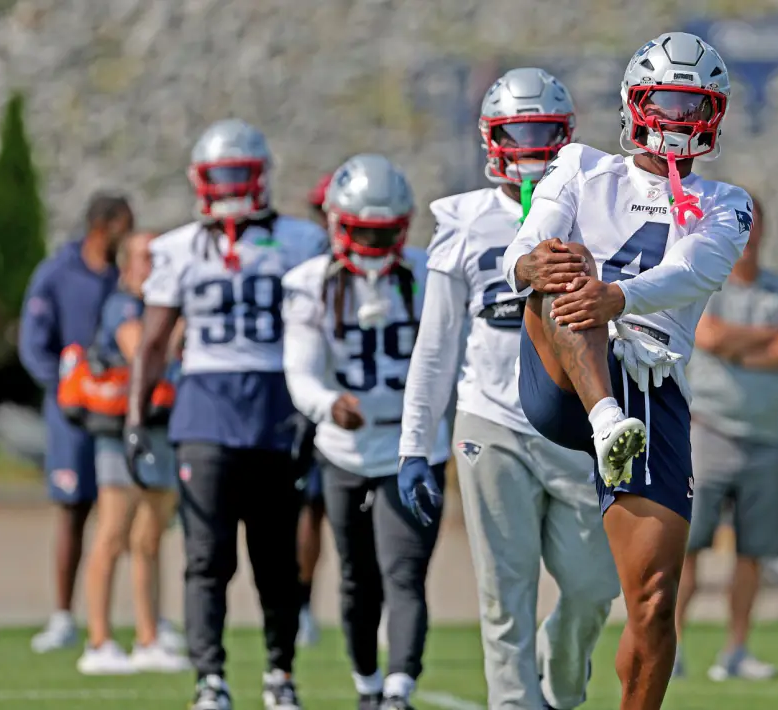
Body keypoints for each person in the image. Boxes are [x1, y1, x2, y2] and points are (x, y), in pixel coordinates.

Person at [502, 32, 753, 710]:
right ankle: (604, 419)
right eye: (664, 100)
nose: (675, 118)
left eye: (691, 103)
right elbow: (528, 246)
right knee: (563, 263)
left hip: (650, 384)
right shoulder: (581, 166)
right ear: (633, 102)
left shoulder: (728, 201)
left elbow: (695, 267)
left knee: (654, 600)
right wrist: (532, 266)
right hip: (565, 374)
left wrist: (624, 297)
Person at [397, 68, 619, 710]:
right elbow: (435, 345)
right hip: (490, 423)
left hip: (576, 426)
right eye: (515, 132)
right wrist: (416, 444)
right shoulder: (464, 221)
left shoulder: (598, 215)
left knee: (592, 586)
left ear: (568, 137)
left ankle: (561, 672)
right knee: (505, 591)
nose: (528, 148)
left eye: (543, 133)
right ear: (490, 138)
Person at [125, 119, 328, 710]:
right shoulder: (178, 248)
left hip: (276, 410)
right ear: (201, 181)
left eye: (243, 174)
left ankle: (279, 674)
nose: (234, 187)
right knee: (206, 559)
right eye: (224, 176)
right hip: (207, 415)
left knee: (274, 560)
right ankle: (210, 679)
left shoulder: (299, 240)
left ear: (262, 177)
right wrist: (137, 417)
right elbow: (155, 342)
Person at [283, 154, 450, 710]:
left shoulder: (430, 274)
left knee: (404, 572)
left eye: (384, 234)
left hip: (415, 447)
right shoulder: (308, 284)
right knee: (357, 580)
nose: (375, 247)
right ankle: (368, 685)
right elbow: (299, 372)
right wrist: (330, 404)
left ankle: (399, 689)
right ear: (337, 224)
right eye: (364, 233)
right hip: (345, 448)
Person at [675, 196, 778, 681]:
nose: (749, 239)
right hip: (707, 434)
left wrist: (743, 350)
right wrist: (767, 338)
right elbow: (709, 336)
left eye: (756, 229)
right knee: (687, 547)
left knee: (753, 552)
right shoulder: (707, 282)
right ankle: (669, 648)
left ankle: (736, 652)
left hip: (766, 441)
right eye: (743, 229)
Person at [19, 191, 134, 653]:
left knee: (128, 511)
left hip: (119, 414)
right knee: (73, 509)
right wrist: (67, 390)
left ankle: (131, 618)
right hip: (72, 415)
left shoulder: (124, 278)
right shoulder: (57, 273)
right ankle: (65, 616)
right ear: (103, 226)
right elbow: (34, 343)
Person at [77, 231, 189, 675]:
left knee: (149, 537)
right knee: (112, 535)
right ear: (127, 265)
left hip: (162, 428)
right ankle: (99, 641)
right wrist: (183, 323)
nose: (153, 266)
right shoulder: (122, 304)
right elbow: (144, 350)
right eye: (145, 258)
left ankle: (149, 636)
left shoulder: (159, 306)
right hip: (122, 430)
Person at [294, 171, 335, 648]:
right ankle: (301, 604)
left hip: (365, 400)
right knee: (308, 509)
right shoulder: (308, 266)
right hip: (314, 403)